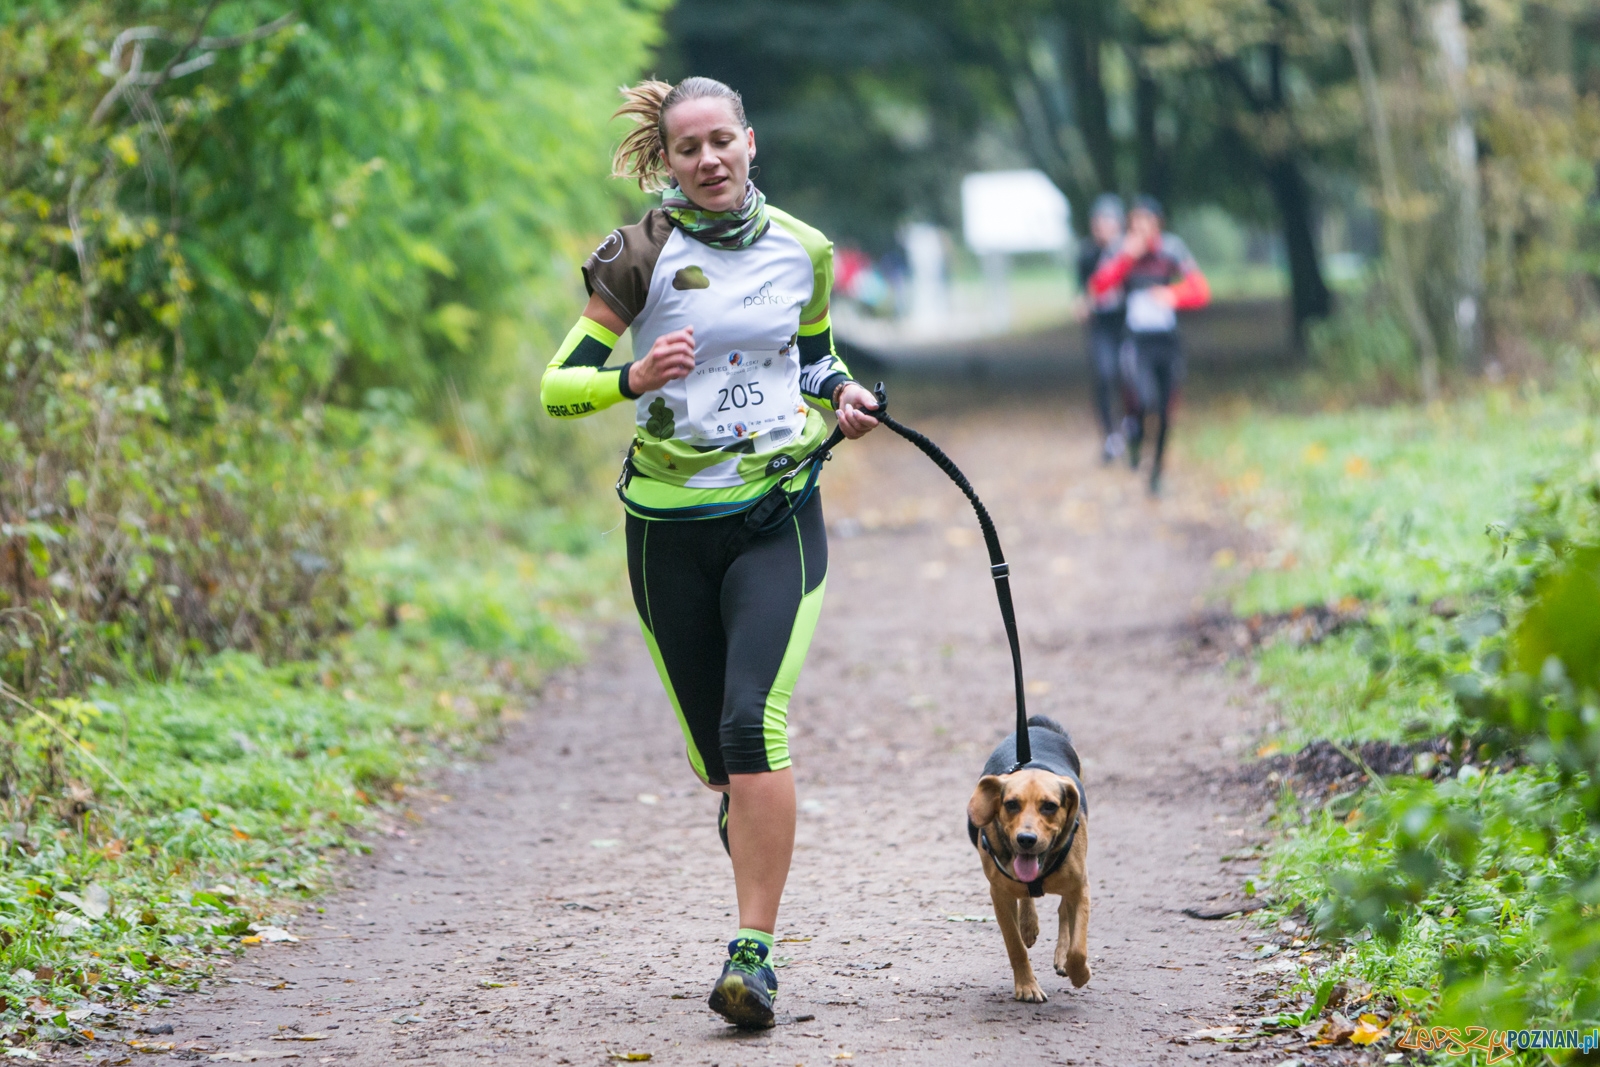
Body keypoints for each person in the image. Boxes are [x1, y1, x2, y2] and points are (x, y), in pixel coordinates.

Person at [539, 76, 881, 1031]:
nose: (709, 160)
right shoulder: (640, 255)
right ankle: (747, 829)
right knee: (715, 764)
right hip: (664, 530)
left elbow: (813, 359)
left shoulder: (802, 249)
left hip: (776, 511)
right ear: (669, 160)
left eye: (721, 140)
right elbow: (555, 388)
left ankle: (753, 955)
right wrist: (630, 377)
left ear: (750, 141)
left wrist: (845, 397)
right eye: (688, 148)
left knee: (751, 725)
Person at [1088, 195, 1210, 494]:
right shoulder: (1121, 251)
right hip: (1136, 341)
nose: (1141, 228)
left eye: (1147, 221)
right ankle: (1135, 437)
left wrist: (1174, 295)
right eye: (1135, 222)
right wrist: (1127, 257)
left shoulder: (1171, 249)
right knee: (1143, 400)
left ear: (1158, 224)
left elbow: (1201, 290)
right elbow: (1099, 287)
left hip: (1167, 341)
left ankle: (1156, 471)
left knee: (1167, 410)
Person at [1074, 194, 1131, 463]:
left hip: (1126, 322)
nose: (1100, 228)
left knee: (1129, 374)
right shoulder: (1087, 253)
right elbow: (1081, 289)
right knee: (1104, 373)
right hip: (1101, 324)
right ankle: (1110, 434)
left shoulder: (1130, 251)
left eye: (1106, 221)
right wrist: (1082, 303)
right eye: (1096, 222)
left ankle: (1131, 424)